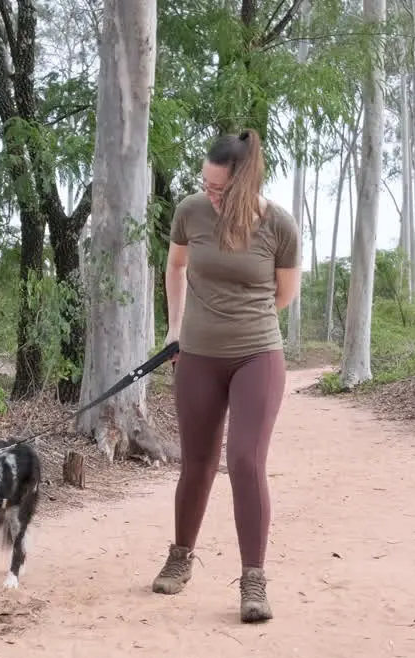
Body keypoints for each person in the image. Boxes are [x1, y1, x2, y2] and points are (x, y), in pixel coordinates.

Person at [152, 128, 300, 623]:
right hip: (196, 355)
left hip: (257, 353)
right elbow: (175, 267)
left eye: (219, 188)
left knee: (244, 460)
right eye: (206, 184)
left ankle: (253, 580)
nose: (209, 194)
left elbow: (283, 295)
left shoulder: (279, 225)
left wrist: (241, 319)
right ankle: (180, 557)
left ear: (243, 183)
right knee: (196, 460)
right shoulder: (191, 212)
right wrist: (176, 328)